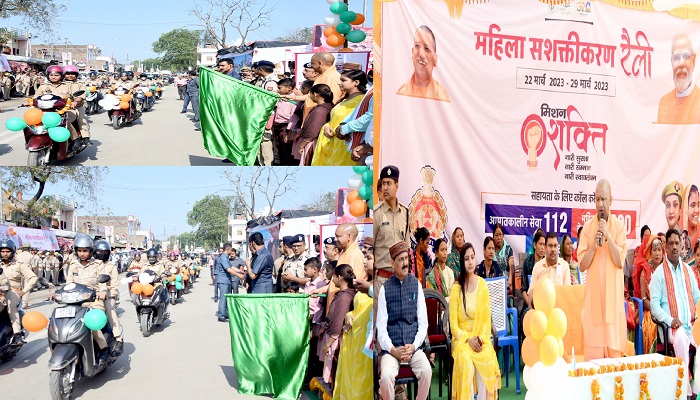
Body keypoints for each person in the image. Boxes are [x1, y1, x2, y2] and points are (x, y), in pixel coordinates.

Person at [578, 179, 627, 360]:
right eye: (597, 199)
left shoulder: (619, 227)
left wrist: (608, 235)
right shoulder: (588, 229)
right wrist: (593, 247)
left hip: (612, 306)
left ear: (611, 200)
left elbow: (619, 261)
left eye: (603, 199)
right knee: (593, 364)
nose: (600, 204)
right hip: (594, 304)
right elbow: (582, 265)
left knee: (614, 363)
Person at [377, 241, 431, 400]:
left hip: (412, 347)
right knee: (386, 376)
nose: (405, 263)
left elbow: (423, 324)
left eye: (406, 258)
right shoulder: (384, 289)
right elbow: (381, 328)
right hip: (392, 350)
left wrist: (413, 346)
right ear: (392, 263)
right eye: (400, 260)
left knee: (427, 372)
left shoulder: (416, 285)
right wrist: (393, 350)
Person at [650, 229, 700, 395]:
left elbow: (698, 297)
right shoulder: (659, 274)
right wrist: (670, 320)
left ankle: (697, 388)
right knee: (680, 338)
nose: (674, 247)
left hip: (691, 325)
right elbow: (655, 306)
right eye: (670, 243)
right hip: (671, 328)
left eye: (677, 243)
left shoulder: (688, 271)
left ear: (682, 246)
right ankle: (684, 389)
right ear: (666, 247)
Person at [449, 242, 501, 399]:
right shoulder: (456, 288)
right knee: (466, 363)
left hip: (480, 339)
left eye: (472, 257)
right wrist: (467, 339)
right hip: (462, 341)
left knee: (488, 359)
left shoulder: (483, 285)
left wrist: (479, 340)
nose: (470, 262)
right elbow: (453, 326)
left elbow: (486, 322)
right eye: (466, 259)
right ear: (462, 262)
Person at [66, 235, 111, 364]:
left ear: (91, 251)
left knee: (92, 323)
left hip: (94, 301)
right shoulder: (73, 265)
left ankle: (104, 349)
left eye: (85, 251)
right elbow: (69, 283)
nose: (82, 254)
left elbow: (103, 283)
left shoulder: (98, 265)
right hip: (76, 301)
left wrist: (102, 292)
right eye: (79, 250)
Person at [311, 69, 368, 166]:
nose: (339, 83)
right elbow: (334, 119)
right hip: (333, 144)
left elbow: (361, 122)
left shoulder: (362, 101)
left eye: (343, 80)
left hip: (346, 145)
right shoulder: (345, 100)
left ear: (356, 82)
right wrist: (327, 126)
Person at [373, 165, 410, 297]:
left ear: (397, 186)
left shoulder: (405, 213)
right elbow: (371, 250)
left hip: (401, 281)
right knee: (381, 318)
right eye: (383, 184)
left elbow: (407, 248)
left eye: (389, 183)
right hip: (382, 280)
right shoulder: (376, 213)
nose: (385, 188)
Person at [320, 263, 356, 387]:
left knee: (334, 374)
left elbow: (338, 323)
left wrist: (328, 343)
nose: (332, 280)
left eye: (333, 277)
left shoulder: (344, 297)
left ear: (339, 277)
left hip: (336, 341)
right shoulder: (344, 294)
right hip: (334, 338)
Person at [397, 25, 450, 102]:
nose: (421, 54)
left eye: (427, 49)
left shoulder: (442, 95)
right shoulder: (401, 92)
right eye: (417, 46)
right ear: (412, 52)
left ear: (435, 59)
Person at [35, 65, 82, 151]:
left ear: (61, 76)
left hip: (66, 110)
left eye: (56, 75)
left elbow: (77, 96)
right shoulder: (43, 86)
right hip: (46, 111)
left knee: (65, 120)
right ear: (48, 75)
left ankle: (75, 139)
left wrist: (75, 101)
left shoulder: (68, 85)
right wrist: (28, 102)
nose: (53, 77)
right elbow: (36, 98)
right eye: (51, 75)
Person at [657, 33, 700, 124]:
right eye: (676, 57)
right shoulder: (664, 103)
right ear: (671, 62)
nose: (681, 64)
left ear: (693, 60)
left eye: (686, 56)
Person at [0, 239, 36, 344]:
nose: (5, 254)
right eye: (3, 251)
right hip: (1, 292)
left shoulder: (19, 265)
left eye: (7, 251)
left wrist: (24, 291)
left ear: (12, 252)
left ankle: (17, 334)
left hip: (13, 292)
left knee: (10, 304)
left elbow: (33, 277)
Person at [633, 233, 664, 354]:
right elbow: (643, 299)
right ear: (649, 253)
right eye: (654, 250)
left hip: (666, 308)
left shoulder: (666, 270)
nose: (657, 253)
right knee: (651, 326)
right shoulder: (644, 271)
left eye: (659, 250)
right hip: (649, 310)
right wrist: (657, 309)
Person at [327, 223, 367, 310]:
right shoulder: (344, 253)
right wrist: (323, 289)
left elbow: (354, 285)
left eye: (338, 236)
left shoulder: (355, 255)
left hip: (344, 308)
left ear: (349, 236)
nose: (335, 239)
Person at [93, 240, 123, 355]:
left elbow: (114, 284)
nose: (102, 253)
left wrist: (109, 295)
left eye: (105, 251)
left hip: (107, 295)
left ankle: (118, 338)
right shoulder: (91, 264)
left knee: (110, 310)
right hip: (91, 295)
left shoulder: (111, 266)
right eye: (100, 251)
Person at [528, 232, 572, 303]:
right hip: (542, 307)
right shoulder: (538, 267)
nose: (553, 249)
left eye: (555, 246)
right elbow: (531, 294)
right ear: (545, 248)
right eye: (550, 246)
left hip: (559, 308)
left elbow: (567, 292)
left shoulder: (564, 266)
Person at [297, 83, 333, 165]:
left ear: (315, 94)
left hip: (314, 144)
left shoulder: (319, 110)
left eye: (310, 94)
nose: (309, 96)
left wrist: (302, 145)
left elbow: (313, 131)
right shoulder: (328, 106)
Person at [303, 53, 342, 121]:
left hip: (320, 118)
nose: (312, 66)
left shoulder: (332, 77)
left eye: (312, 63)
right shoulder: (325, 75)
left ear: (320, 63)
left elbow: (333, 101)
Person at [272, 78, 297, 166]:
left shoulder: (293, 101)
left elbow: (293, 118)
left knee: (287, 149)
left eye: (280, 88)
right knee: (280, 148)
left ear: (289, 88)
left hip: (286, 127)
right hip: (277, 125)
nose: (278, 90)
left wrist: (289, 131)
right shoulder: (280, 98)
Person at [521, 230, 545, 312]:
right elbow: (523, 290)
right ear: (535, 245)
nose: (542, 248)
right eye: (540, 244)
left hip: (544, 304)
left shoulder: (547, 264)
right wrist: (531, 306)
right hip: (529, 304)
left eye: (544, 245)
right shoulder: (527, 263)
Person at [215, 243, 235, 322]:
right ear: (228, 249)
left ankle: (225, 313)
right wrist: (238, 275)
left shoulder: (226, 257)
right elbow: (228, 269)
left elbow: (231, 267)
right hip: (223, 281)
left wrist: (239, 271)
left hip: (227, 280)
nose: (232, 251)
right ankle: (221, 315)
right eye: (231, 250)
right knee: (223, 298)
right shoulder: (223, 257)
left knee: (227, 298)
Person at [493, 223, 515, 290]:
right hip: (493, 281)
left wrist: (510, 281)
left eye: (500, 235)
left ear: (503, 236)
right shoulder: (491, 248)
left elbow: (511, 266)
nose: (499, 238)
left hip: (505, 282)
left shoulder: (508, 249)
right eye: (496, 235)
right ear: (493, 236)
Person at [682, 184, 700, 264]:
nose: (697, 210)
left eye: (698, 205)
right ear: (685, 208)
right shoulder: (678, 236)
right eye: (693, 205)